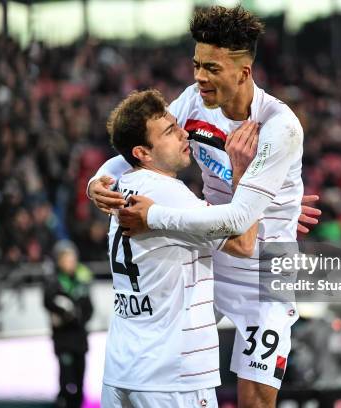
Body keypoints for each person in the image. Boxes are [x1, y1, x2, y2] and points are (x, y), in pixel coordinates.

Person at [88, 6, 322, 407]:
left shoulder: (279, 127)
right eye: (196, 64)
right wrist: (96, 181)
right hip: (212, 250)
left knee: (257, 400)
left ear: (242, 73)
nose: (199, 76)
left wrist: (153, 216)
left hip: (265, 269)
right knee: (172, 358)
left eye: (212, 68)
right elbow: (137, 151)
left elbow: (242, 222)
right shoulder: (194, 102)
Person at [101, 89, 259, 407]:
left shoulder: (122, 184)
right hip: (172, 377)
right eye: (170, 132)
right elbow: (243, 243)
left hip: (121, 370)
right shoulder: (167, 193)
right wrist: (246, 172)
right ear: (143, 153)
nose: (184, 133)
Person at [43, 240, 94, 408]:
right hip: (63, 339)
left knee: (79, 379)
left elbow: (89, 308)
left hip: (79, 337)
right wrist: (67, 314)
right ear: (59, 260)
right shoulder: (53, 281)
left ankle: (77, 402)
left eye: (72, 258)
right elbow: (48, 302)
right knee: (66, 378)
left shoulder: (82, 279)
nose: (70, 262)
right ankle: (64, 401)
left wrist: (77, 316)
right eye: (66, 258)